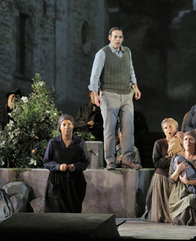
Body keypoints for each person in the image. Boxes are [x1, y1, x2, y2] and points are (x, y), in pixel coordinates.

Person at [89, 26, 142, 170]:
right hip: (108, 94)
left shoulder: (127, 52)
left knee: (128, 129)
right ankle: (110, 161)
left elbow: (131, 70)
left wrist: (135, 87)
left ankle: (127, 160)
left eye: (120, 37)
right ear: (109, 37)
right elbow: (94, 76)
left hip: (126, 94)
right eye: (115, 37)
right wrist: (95, 94)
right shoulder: (103, 53)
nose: (118, 40)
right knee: (110, 129)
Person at [43, 114, 90, 213]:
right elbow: (46, 162)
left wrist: (76, 167)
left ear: (73, 126)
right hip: (57, 182)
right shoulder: (53, 142)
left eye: (69, 124)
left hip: (74, 183)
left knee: (73, 213)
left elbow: (85, 162)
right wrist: (58, 167)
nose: (67, 127)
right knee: (56, 213)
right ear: (60, 127)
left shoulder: (80, 143)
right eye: (64, 124)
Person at [169, 131, 196, 225]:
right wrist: (178, 170)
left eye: (191, 139)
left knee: (192, 199)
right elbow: (171, 179)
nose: (188, 141)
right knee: (185, 200)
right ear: (182, 142)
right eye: (185, 139)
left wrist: (189, 182)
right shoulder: (176, 157)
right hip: (180, 193)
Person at [144, 118, 183, 223]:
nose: (168, 129)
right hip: (162, 177)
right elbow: (157, 163)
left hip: (177, 176)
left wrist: (182, 142)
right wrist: (174, 158)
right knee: (162, 205)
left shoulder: (182, 142)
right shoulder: (159, 143)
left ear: (176, 128)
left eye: (171, 127)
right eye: (166, 128)